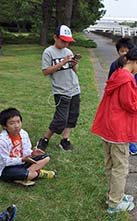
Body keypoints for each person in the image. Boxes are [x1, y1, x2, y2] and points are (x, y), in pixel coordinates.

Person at [91, 46, 137, 213]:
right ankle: (115, 203)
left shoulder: (118, 74)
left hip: (107, 128)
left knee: (111, 165)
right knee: (120, 167)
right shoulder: (128, 79)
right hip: (118, 131)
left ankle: (114, 194)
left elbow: (122, 99)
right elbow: (131, 106)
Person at [36, 24, 80, 152]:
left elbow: (74, 71)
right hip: (61, 90)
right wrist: (62, 63)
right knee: (60, 119)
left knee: (72, 116)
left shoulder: (68, 52)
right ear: (55, 37)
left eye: (68, 42)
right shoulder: (48, 52)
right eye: (63, 41)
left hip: (74, 88)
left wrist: (74, 64)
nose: (65, 44)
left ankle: (64, 140)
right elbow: (45, 71)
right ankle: (44, 139)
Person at [0, 108, 56, 187]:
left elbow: (26, 151)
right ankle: (36, 173)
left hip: (22, 161)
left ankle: (26, 176)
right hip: (7, 168)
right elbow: (5, 161)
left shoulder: (23, 134)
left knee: (46, 158)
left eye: (18, 122)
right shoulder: (2, 141)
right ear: (4, 126)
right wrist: (22, 159)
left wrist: (32, 154)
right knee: (28, 174)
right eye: (11, 123)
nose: (16, 126)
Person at [108, 37, 137, 156]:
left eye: (127, 51)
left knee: (131, 119)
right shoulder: (114, 65)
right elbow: (110, 82)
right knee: (119, 120)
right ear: (118, 51)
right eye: (122, 51)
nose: (125, 54)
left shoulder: (134, 66)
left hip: (131, 97)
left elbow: (135, 83)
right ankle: (117, 138)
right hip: (117, 99)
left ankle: (131, 142)